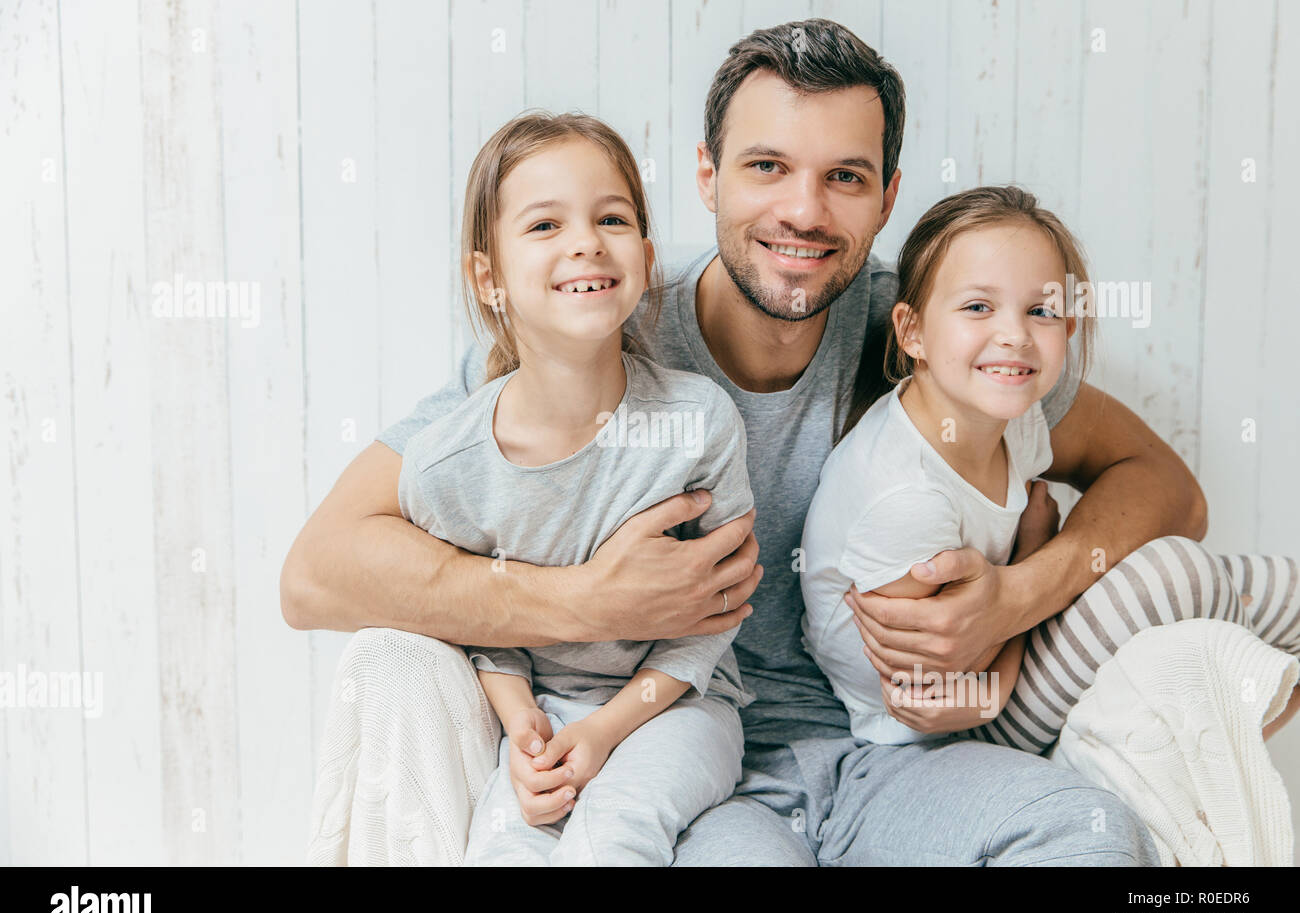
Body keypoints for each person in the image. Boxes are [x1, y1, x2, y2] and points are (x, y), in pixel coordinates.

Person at [285, 19, 1214, 865]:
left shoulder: (935, 337)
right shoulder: (594, 335)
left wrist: (1015, 596)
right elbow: (318, 573)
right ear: (707, 176)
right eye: (767, 166)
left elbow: (1164, 484)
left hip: (894, 764)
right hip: (697, 769)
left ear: (887, 195)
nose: (804, 212)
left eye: (844, 177)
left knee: (1087, 835)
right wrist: (580, 601)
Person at [801, 184, 1300, 752]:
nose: (1015, 335)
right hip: (945, 728)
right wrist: (1034, 549)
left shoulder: (1018, 418)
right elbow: (943, 697)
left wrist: (1021, 585)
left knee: (1280, 595)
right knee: (1178, 576)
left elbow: (1180, 500)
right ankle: (1190, 746)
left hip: (998, 666)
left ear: (1066, 330)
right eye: (977, 306)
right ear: (911, 330)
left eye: (1041, 311)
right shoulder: (903, 501)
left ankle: (1215, 731)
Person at [400, 112, 755, 866]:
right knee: (503, 850)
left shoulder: (698, 423)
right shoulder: (445, 467)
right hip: (547, 712)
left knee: (610, 839)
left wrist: (605, 731)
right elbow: (476, 621)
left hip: (680, 706)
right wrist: (525, 724)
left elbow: (714, 618)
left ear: (646, 257)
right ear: (488, 278)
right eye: (544, 225)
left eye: (612, 218)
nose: (586, 241)